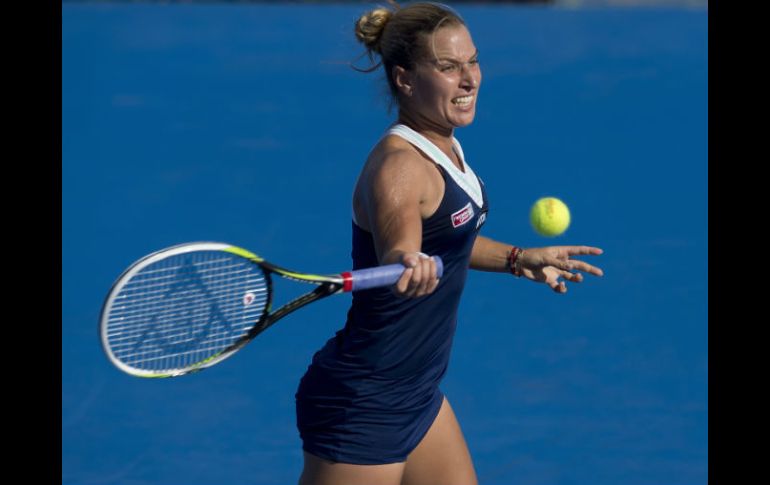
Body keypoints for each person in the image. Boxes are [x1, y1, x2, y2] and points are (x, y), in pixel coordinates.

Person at [295, 2, 604, 484]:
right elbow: (403, 245)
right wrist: (406, 260)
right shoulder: (401, 166)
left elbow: (451, 239)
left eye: (472, 61)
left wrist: (518, 259)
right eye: (447, 67)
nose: (469, 79)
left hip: (417, 391)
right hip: (365, 402)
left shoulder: (444, 143)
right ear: (405, 79)